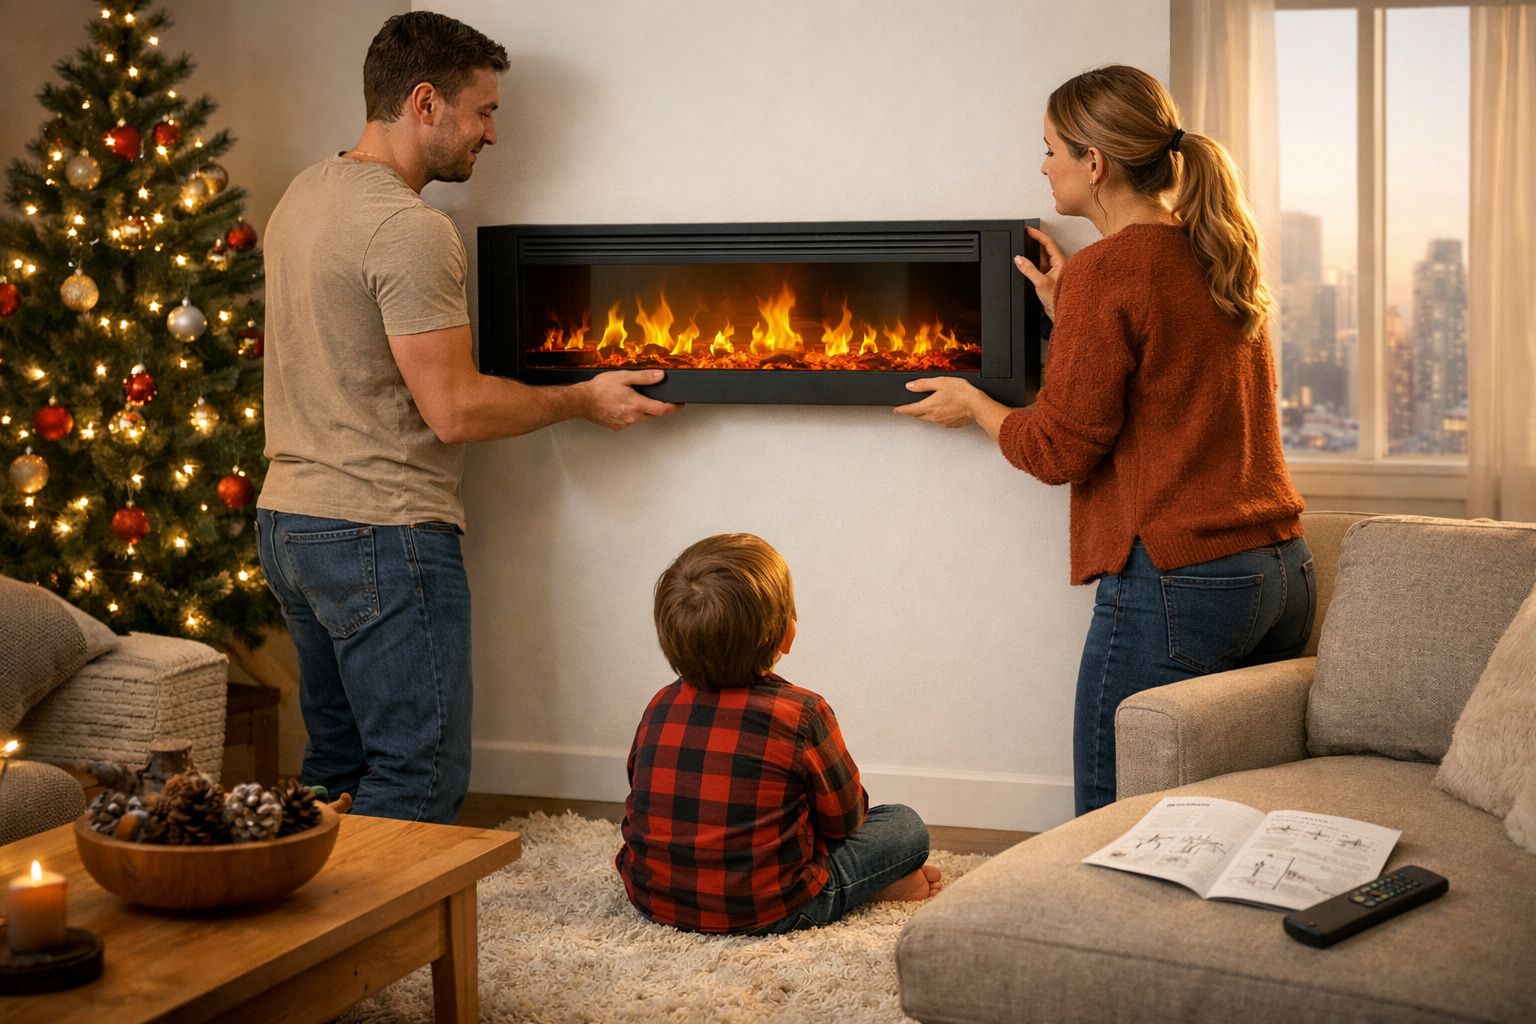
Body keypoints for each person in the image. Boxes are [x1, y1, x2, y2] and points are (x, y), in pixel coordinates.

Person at [257, 12, 679, 824]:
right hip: (378, 527)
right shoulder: (408, 231)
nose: (492, 134)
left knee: (334, 764)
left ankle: (303, 933)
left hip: (291, 522)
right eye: (483, 111)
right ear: (425, 103)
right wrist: (584, 397)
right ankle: (381, 947)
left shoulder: (303, 196)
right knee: (417, 771)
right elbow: (453, 409)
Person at [895, 65, 1311, 816]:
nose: (1044, 165)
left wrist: (977, 406)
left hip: (1184, 582)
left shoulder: (1109, 269)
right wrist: (1065, 310)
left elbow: (1058, 450)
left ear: (1095, 162)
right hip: (1281, 573)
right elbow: (1169, 382)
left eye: (1052, 148)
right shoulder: (1212, 250)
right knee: (1232, 811)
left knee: (1113, 811)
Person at [615, 533, 942, 934]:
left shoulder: (659, 704)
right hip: (766, 908)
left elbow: (640, 791)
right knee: (905, 826)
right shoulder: (803, 713)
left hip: (653, 897)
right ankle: (863, 887)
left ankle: (866, 882)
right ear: (787, 634)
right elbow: (845, 821)